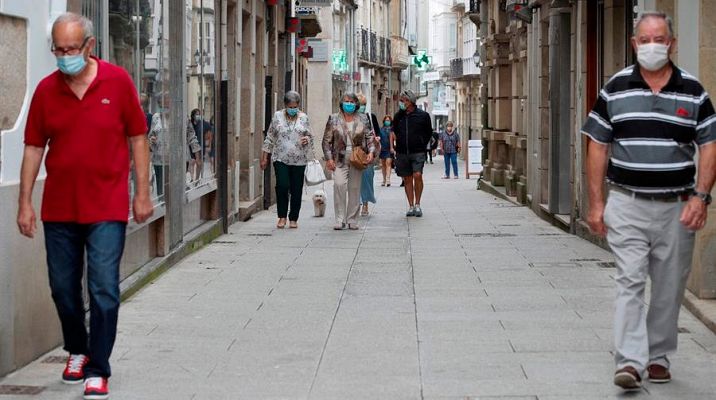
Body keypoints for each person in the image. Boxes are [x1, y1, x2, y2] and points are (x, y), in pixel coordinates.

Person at [16, 13, 153, 400]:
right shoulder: (45, 91)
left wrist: (141, 193)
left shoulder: (118, 82)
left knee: (104, 288)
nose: (63, 57)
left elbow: (138, 137)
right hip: (59, 207)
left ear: (89, 47)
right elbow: (32, 147)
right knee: (62, 288)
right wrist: (24, 202)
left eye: (70, 49)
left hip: (107, 205)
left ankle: (98, 367)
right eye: (57, 49)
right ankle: (77, 348)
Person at [582, 11, 716, 391]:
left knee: (670, 285)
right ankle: (629, 362)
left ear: (671, 43)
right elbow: (597, 145)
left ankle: (657, 356)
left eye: (660, 39)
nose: (653, 45)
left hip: (677, 205)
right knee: (630, 279)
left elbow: (709, 145)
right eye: (645, 39)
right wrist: (596, 203)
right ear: (634, 44)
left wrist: (701, 197)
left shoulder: (693, 91)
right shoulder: (615, 88)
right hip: (627, 202)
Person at [260, 91, 313, 229]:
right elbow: (270, 136)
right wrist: (264, 156)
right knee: (282, 186)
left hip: (299, 160)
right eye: (290, 106)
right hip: (280, 158)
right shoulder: (277, 116)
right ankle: (282, 216)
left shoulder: (304, 118)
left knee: (296, 189)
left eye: (295, 106)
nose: (293, 109)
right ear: (285, 105)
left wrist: (306, 139)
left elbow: (310, 136)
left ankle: (293, 218)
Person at [323, 92, 375, 230]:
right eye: (346, 101)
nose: (349, 104)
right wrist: (328, 159)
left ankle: (352, 219)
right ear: (341, 103)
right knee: (339, 185)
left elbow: (369, 137)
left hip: (357, 157)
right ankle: (339, 219)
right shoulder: (333, 119)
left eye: (352, 102)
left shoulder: (363, 118)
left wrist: (371, 152)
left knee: (354, 188)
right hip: (339, 158)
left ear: (356, 104)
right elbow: (326, 141)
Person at [393, 89, 433, 217]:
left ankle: (418, 204)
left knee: (417, 175)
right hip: (402, 152)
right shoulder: (398, 116)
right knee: (407, 178)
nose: (402, 103)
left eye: (404, 100)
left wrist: (422, 144)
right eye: (401, 100)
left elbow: (428, 132)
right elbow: (394, 131)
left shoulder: (423, 116)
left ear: (411, 101)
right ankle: (410, 205)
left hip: (418, 152)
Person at [357, 94, 381, 216]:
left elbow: (377, 132)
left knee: (366, 179)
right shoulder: (350, 118)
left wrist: (377, 138)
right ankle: (356, 204)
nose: (362, 107)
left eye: (364, 105)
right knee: (355, 180)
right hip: (354, 154)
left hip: (368, 153)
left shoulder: (371, 117)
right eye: (360, 104)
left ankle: (365, 203)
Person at [378, 115, 394, 186]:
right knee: (383, 165)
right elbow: (378, 138)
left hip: (389, 148)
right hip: (382, 148)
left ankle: (388, 180)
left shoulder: (392, 129)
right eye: (386, 120)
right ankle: (384, 179)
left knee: (388, 163)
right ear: (384, 121)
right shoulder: (381, 129)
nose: (387, 121)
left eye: (389, 120)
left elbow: (395, 139)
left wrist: (393, 148)